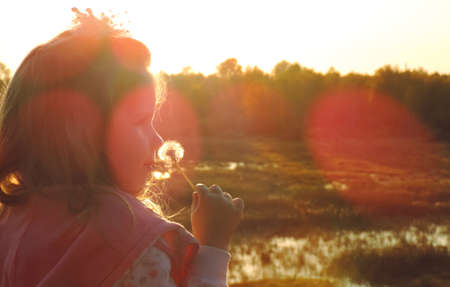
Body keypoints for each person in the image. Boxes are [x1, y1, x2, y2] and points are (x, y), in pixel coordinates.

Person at [0, 9, 244, 287]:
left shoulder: (12, 221)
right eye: (141, 121)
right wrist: (213, 246)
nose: (158, 140)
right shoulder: (135, 249)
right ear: (84, 135)